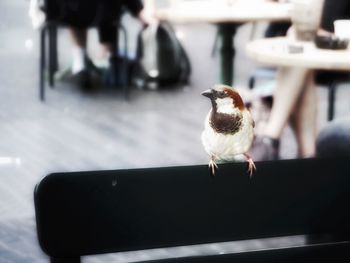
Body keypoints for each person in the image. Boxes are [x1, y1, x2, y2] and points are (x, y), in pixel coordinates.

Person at [251, 0, 350, 160]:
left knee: (300, 50)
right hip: (298, 49)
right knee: (302, 63)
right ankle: (307, 158)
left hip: (338, 54)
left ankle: (271, 139)